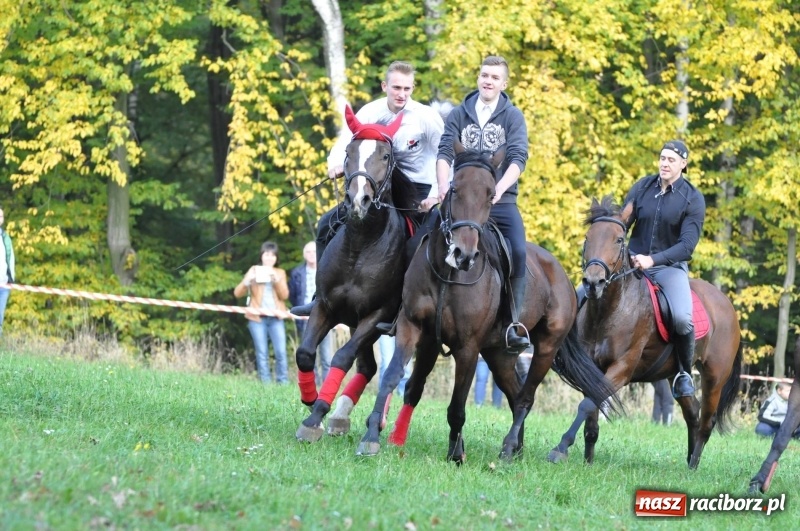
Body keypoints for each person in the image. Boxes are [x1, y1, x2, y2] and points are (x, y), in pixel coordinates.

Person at [292, 60, 444, 316]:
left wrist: (435, 195)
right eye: (396, 87)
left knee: (413, 245)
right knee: (325, 225)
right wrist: (335, 163)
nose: (402, 94)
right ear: (385, 86)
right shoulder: (370, 113)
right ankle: (320, 296)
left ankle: (408, 304)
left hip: (416, 193)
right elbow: (345, 144)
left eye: (407, 89)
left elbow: (445, 154)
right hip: (376, 189)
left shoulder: (426, 117)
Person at [435, 55, 530, 354]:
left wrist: (499, 189)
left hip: (498, 200)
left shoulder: (513, 116)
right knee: (421, 237)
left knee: (517, 250)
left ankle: (512, 323)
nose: (487, 81)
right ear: (479, 78)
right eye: (484, 75)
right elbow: (444, 150)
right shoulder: (458, 113)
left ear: (504, 83)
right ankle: (404, 309)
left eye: (494, 77)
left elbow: (518, 157)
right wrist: (441, 185)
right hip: (460, 199)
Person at [624, 139, 705, 398]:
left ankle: (683, 373)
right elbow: (623, 222)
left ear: (683, 164)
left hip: (668, 268)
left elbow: (686, 247)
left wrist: (652, 260)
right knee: (584, 292)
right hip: (631, 263)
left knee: (682, 317)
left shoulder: (692, 198)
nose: (665, 163)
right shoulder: (642, 187)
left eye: (671, 160)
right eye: (662, 158)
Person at [233, 241, 290, 384]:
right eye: (267, 254)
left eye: (272, 255)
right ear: (262, 256)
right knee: (262, 353)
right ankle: (265, 384)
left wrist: (276, 281)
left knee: (281, 352)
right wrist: (247, 281)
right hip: (257, 318)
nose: (269, 258)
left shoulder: (280, 272)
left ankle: (283, 382)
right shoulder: (254, 270)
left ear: (276, 258)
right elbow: (237, 293)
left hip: (276, 317)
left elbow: (285, 296)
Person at [288, 241, 333, 385]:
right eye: (308, 252)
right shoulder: (296, 273)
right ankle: (312, 383)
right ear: (304, 254)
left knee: (326, 356)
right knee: (309, 353)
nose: (311, 255)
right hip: (305, 318)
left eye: (314, 251)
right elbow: (293, 296)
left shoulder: (328, 269)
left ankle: (325, 385)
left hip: (326, 317)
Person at [0, 207, 15, 336]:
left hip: (4, 285)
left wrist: (11, 280)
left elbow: (10, 260)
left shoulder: (5, 238)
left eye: (1, 217)